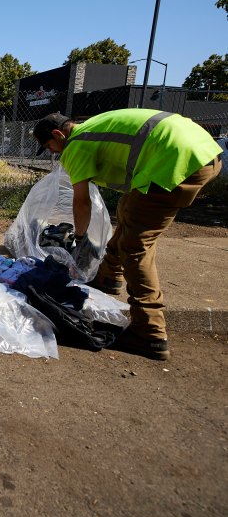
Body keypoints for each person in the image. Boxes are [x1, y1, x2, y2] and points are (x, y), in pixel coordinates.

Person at [33, 109, 223, 360]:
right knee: (128, 210)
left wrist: (78, 239)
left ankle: (149, 331)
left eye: (49, 145)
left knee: (136, 245)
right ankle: (108, 277)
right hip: (202, 151)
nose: (52, 152)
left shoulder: (76, 146)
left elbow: (81, 202)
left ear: (59, 134)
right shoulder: (93, 127)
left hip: (176, 159)